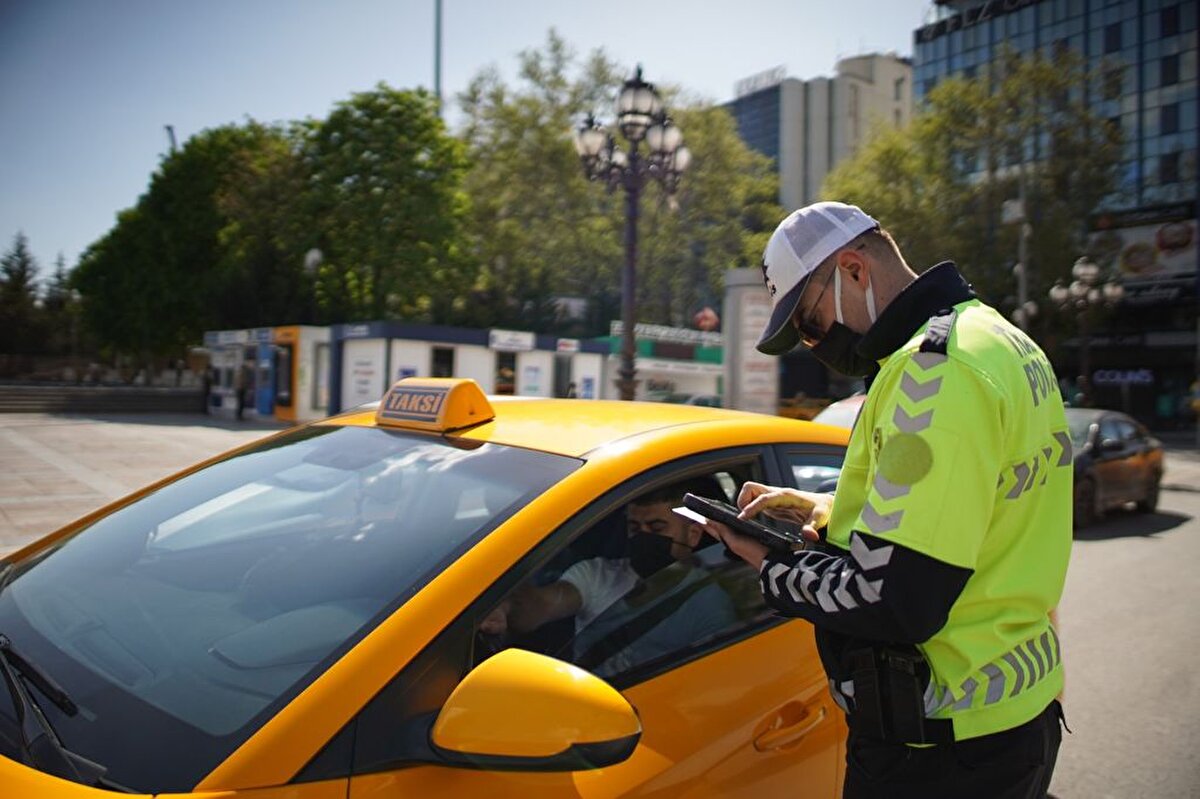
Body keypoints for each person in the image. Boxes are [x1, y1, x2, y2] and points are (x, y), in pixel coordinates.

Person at [711, 202, 1071, 798]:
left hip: (938, 755)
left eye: (809, 320)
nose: (811, 343)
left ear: (853, 270)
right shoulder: (1000, 340)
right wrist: (819, 511)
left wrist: (770, 563)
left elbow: (897, 600)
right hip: (1014, 720)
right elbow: (974, 511)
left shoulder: (933, 373)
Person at [481, 479, 736, 677]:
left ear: (692, 534)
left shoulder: (708, 602)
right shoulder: (598, 574)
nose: (643, 537)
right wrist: (504, 605)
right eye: (635, 528)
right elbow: (543, 605)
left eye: (657, 528)